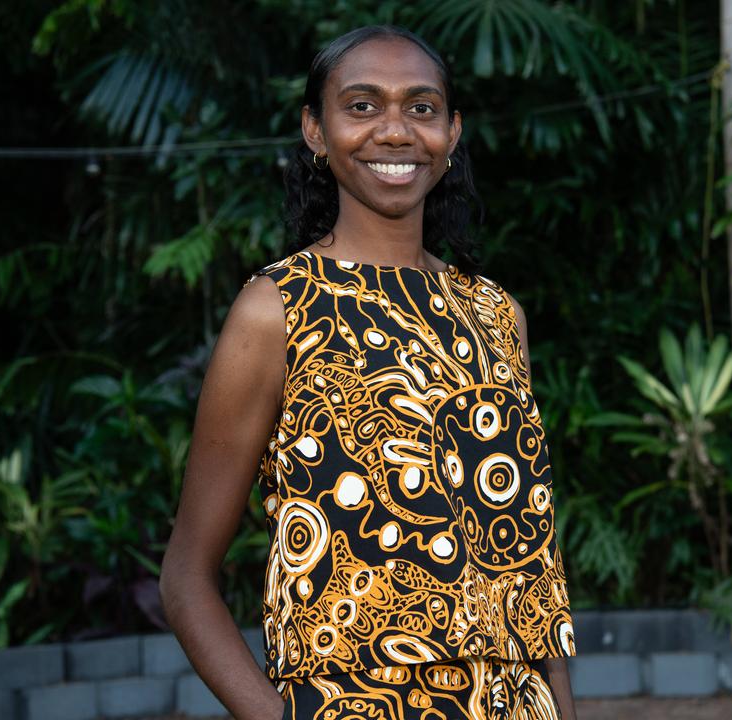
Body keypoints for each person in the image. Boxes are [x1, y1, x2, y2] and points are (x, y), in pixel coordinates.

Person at [159, 24, 578, 720]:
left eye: (421, 107)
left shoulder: (497, 313)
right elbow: (186, 577)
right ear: (315, 131)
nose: (395, 130)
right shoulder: (279, 309)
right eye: (361, 106)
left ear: (451, 131)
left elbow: (528, 565)